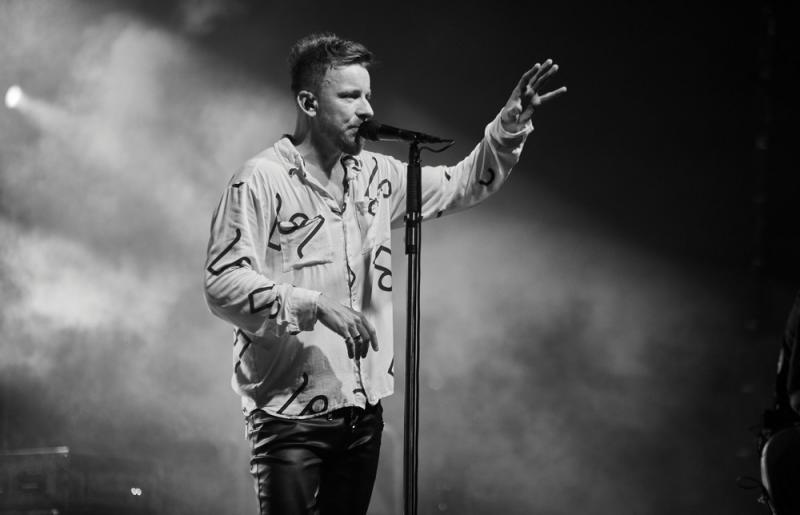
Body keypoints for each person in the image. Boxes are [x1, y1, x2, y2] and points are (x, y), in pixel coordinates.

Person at [203, 32, 566, 515]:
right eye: (350, 96)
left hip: (362, 414)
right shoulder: (259, 180)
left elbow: (460, 185)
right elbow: (222, 283)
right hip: (288, 417)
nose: (367, 109)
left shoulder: (377, 175)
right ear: (309, 102)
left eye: (368, 95)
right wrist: (314, 304)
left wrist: (509, 127)